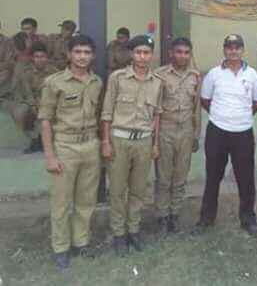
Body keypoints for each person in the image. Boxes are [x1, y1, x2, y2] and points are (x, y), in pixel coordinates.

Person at [38, 35, 103, 270]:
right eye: (78, 52)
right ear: (69, 54)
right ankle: (61, 248)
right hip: (65, 146)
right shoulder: (54, 83)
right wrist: (50, 156)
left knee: (86, 200)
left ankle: (81, 242)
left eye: (87, 52)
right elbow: (45, 120)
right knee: (61, 202)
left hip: (90, 145)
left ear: (93, 55)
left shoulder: (97, 82)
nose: (82, 56)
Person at [193, 34, 257, 236]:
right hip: (217, 132)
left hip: (243, 133)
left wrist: (242, 115)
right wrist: (221, 115)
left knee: (246, 178)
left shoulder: (251, 74)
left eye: (237, 47)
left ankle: (248, 219)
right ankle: (206, 219)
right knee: (213, 176)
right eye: (229, 47)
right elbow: (205, 100)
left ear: (242, 50)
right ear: (224, 50)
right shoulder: (214, 74)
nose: (233, 51)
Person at [100, 35, 162, 255]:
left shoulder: (157, 82)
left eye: (146, 52)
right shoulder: (117, 78)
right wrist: (105, 141)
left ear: (151, 55)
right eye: (138, 52)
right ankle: (119, 233)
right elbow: (107, 112)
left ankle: (133, 230)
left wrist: (155, 144)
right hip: (120, 140)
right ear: (131, 54)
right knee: (118, 190)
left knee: (138, 190)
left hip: (144, 140)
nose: (142, 57)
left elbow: (157, 115)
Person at [154, 37, 201, 234]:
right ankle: (162, 216)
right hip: (166, 128)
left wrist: (196, 134)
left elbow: (196, 108)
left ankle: (175, 214)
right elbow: (156, 107)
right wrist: (154, 138)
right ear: (171, 53)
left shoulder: (195, 76)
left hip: (186, 129)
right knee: (164, 177)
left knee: (181, 176)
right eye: (179, 52)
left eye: (186, 52)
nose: (182, 56)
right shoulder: (159, 75)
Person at [14, 43, 57, 153]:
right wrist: (33, 104)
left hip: (49, 100)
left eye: (42, 57)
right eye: (37, 57)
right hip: (31, 100)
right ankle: (34, 139)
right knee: (20, 113)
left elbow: (57, 91)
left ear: (47, 58)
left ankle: (44, 140)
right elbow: (27, 92)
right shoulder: (26, 73)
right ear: (32, 58)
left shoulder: (55, 72)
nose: (40, 60)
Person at [12, 18, 47, 90]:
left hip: (36, 62)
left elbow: (43, 53)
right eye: (23, 29)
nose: (25, 31)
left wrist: (29, 44)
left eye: (28, 29)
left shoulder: (41, 39)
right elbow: (16, 55)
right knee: (20, 65)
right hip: (21, 63)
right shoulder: (16, 39)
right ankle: (15, 90)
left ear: (35, 29)